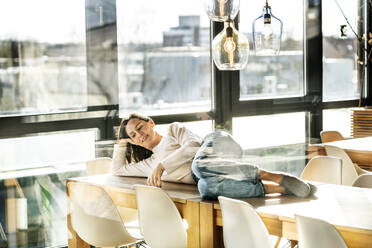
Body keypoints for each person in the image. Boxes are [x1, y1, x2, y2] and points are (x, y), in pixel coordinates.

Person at [112, 113, 314, 200]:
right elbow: (118, 170)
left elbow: (194, 146)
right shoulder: (149, 164)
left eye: (140, 127)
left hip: (219, 145)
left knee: (198, 167)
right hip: (213, 175)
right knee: (205, 188)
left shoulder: (174, 130)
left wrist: (163, 165)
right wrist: (122, 142)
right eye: (134, 136)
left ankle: (272, 175)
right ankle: (283, 188)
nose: (140, 135)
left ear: (151, 123)